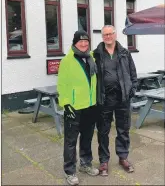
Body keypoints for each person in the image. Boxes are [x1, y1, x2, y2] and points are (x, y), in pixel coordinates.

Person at [93, 25, 138, 176]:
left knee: (123, 129)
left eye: (110, 34)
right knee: (103, 131)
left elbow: (132, 72)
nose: (108, 37)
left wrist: (133, 88)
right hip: (105, 98)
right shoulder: (96, 54)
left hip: (122, 97)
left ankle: (123, 157)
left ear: (115, 34)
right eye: (105, 35)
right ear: (102, 37)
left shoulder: (125, 53)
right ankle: (104, 161)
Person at [57, 30, 99, 185]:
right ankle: (70, 171)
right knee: (70, 141)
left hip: (90, 105)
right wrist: (66, 104)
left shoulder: (91, 58)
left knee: (87, 138)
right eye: (80, 41)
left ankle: (86, 164)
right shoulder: (67, 61)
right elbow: (62, 84)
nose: (83, 44)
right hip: (74, 107)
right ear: (75, 43)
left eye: (86, 41)